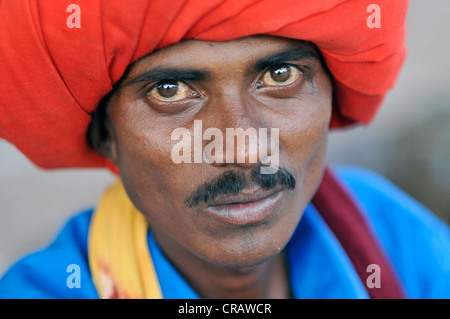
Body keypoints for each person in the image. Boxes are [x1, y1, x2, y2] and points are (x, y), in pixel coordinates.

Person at [0, 0, 448, 299]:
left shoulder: (387, 232)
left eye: (280, 77)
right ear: (106, 138)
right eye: (170, 90)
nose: (247, 149)